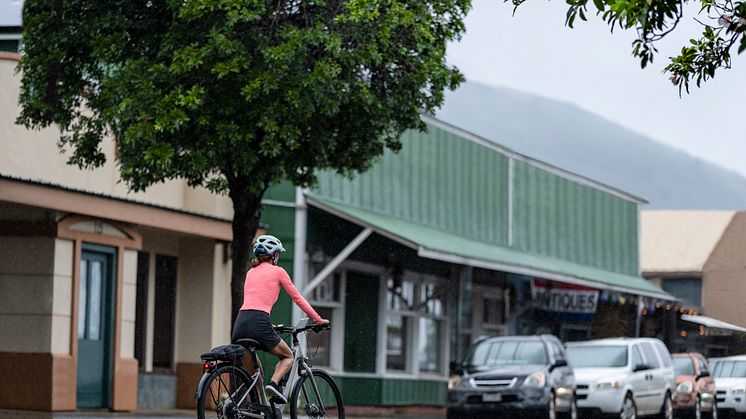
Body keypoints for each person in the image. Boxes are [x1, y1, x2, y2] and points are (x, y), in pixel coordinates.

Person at [232, 234, 328, 404]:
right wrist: (318, 320)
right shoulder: (278, 272)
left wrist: (268, 325)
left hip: (240, 323)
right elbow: (298, 298)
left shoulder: (250, 272)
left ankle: (245, 408)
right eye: (278, 254)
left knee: (255, 375)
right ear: (274, 255)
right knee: (288, 356)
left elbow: (254, 304)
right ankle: (274, 384)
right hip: (259, 322)